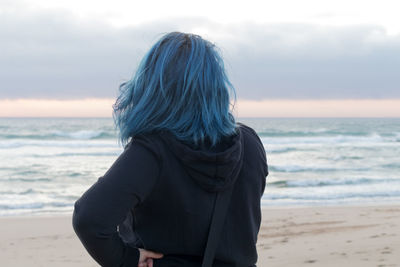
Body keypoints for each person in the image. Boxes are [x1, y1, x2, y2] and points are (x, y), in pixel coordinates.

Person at [72, 31, 269, 267]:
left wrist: (127, 259)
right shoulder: (249, 143)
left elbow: (90, 219)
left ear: (153, 85)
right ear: (216, 86)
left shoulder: (154, 149)